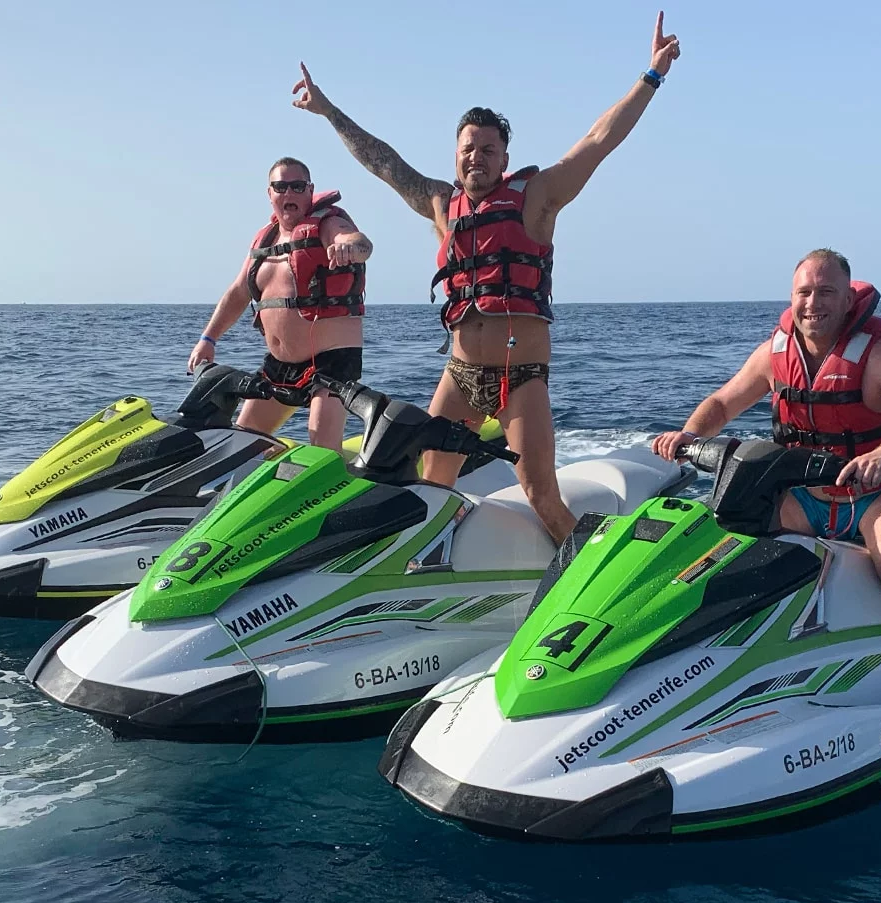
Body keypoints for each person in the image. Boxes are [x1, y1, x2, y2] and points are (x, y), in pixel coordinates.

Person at [290, 13, 682, 543]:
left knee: (541, 493)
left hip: (519, 376)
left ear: (504, 157)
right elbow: (383, 162)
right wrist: (328, 110)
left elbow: (598, 140)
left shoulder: (536, 199)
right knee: (432, 483)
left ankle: (585, 575)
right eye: (468, 148)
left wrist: (651, 76)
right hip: (460, 374)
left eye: (488, 149)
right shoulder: (440, 205)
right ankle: (437, 574)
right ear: (457, 154)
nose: (477, 157)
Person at [652, 249, 881, 696]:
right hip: (804, 496)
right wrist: (688, 436)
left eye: (827, 292)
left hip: (875, 495)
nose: (812, 302)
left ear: (847, 301)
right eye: (804, 292)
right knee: (723, 547)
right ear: (791, 297)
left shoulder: (877, 354)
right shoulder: (775, 353)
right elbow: (723, 403)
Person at [187, 157, 373, 451]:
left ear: (310, 190)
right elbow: (238, 292)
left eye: (298, 187)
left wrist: (349, 246)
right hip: (280, 366)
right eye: (281, 186)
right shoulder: (264, 240)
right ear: (269, 193)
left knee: (322, 454)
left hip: (330, 366)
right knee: (243, 440)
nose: (290, 194)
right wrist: (208, 339)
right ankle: (280, 456)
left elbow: (360, 242)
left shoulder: (328, 223)